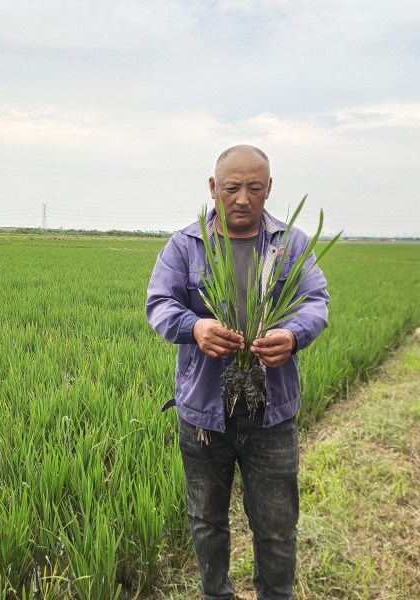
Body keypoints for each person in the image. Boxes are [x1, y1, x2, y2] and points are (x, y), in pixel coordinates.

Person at [145, 145, 329, 600]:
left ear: (269, 189)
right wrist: (195, 327)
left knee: (277, 526)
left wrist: (292, 335)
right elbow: (159, 304)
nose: (243, 198)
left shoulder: (290, 245)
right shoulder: (185, 245)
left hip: (272, 414)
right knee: (206, 520)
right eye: (232, 187)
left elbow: (316, 302)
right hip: (204, 413)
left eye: (254, 187)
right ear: (213, 187)